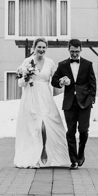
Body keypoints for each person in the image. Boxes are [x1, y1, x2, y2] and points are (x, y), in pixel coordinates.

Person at [12, 37, 71, 168]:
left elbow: (55, 80)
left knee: (48, 125)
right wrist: (27, 76)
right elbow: (20, 83)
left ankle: (45, 150)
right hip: (31, 96)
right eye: (39, 47)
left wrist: (62, 81)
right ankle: (35, 155)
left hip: (45, 96)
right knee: (35, 126)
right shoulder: (27, 61)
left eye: (44, 47)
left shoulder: (50, 63)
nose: (41, 50)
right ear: (34, 47)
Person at [53, 38, 97, 168]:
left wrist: (91, 99)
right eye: (72, 51)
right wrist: (61, 81)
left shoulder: (87, 64)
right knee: (70, 132)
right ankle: (73, 160)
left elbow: (93, 83)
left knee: (83, 131)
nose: (74, 54)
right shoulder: (62, 65)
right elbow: (54, 81)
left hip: (85, 103)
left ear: (80, 50)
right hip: (69, 104)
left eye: (77, 51)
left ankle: (81, 154)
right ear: (68, 50)